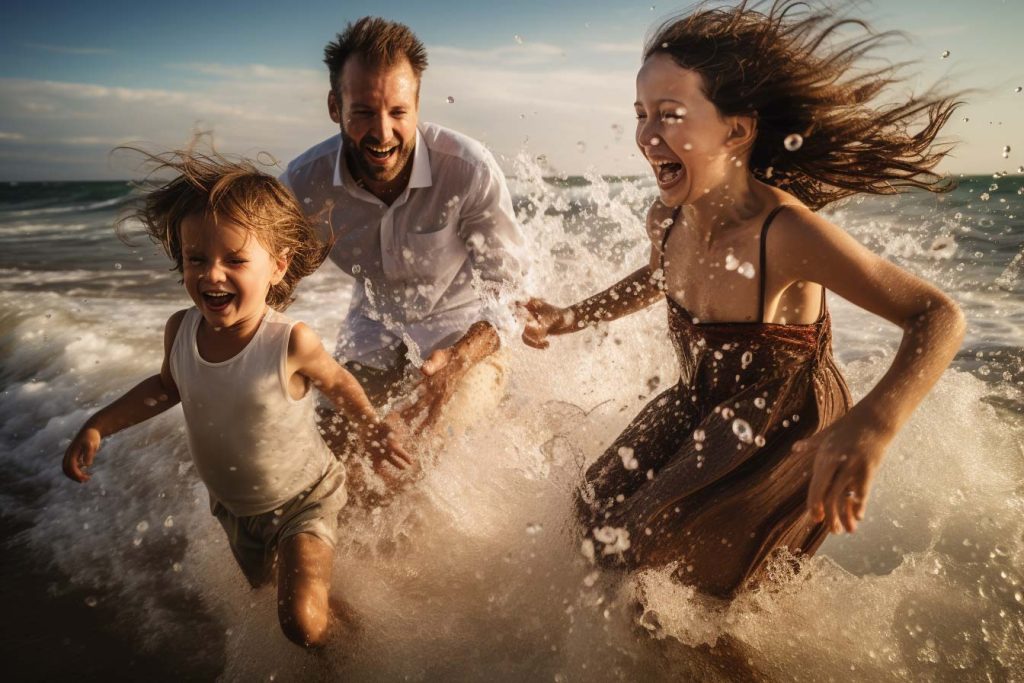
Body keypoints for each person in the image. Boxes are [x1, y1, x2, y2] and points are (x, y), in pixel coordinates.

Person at [520, 1, 966, 599]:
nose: (648, 137)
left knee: (653, 557)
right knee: (592, 514)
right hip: (701, 398)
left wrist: (873, 427)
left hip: (787, 419)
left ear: (736, 129)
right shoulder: (667, 218)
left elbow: (937, 316)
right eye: (641, 115)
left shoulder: (784, 232)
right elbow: (657, 277)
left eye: (671, 115)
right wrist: (572, 316)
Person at [61, 148, 411, 647]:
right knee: (287, 605)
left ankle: (356, 659)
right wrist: (99, 424)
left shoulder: (287, 342)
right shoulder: (180, 331)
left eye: (235, 260)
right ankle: (349, 635)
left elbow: (337, 382)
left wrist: (371, 426)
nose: (212, 275)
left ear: (277, 267)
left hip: (303, 502)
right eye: (196, 259)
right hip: (235, 511)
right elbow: (165, 389)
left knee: (298, 623)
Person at [282, 17, 527, 447]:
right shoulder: (303, 184)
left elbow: (511, 292)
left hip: (462, 331)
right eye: (362, 113)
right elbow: (263, 276)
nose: (382, 133)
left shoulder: (467, 169)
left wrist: (461, 358)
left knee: (428, 449)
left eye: (398, 112)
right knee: (335, 453)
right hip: (372, 325)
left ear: (417, 105)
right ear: (334, 107)